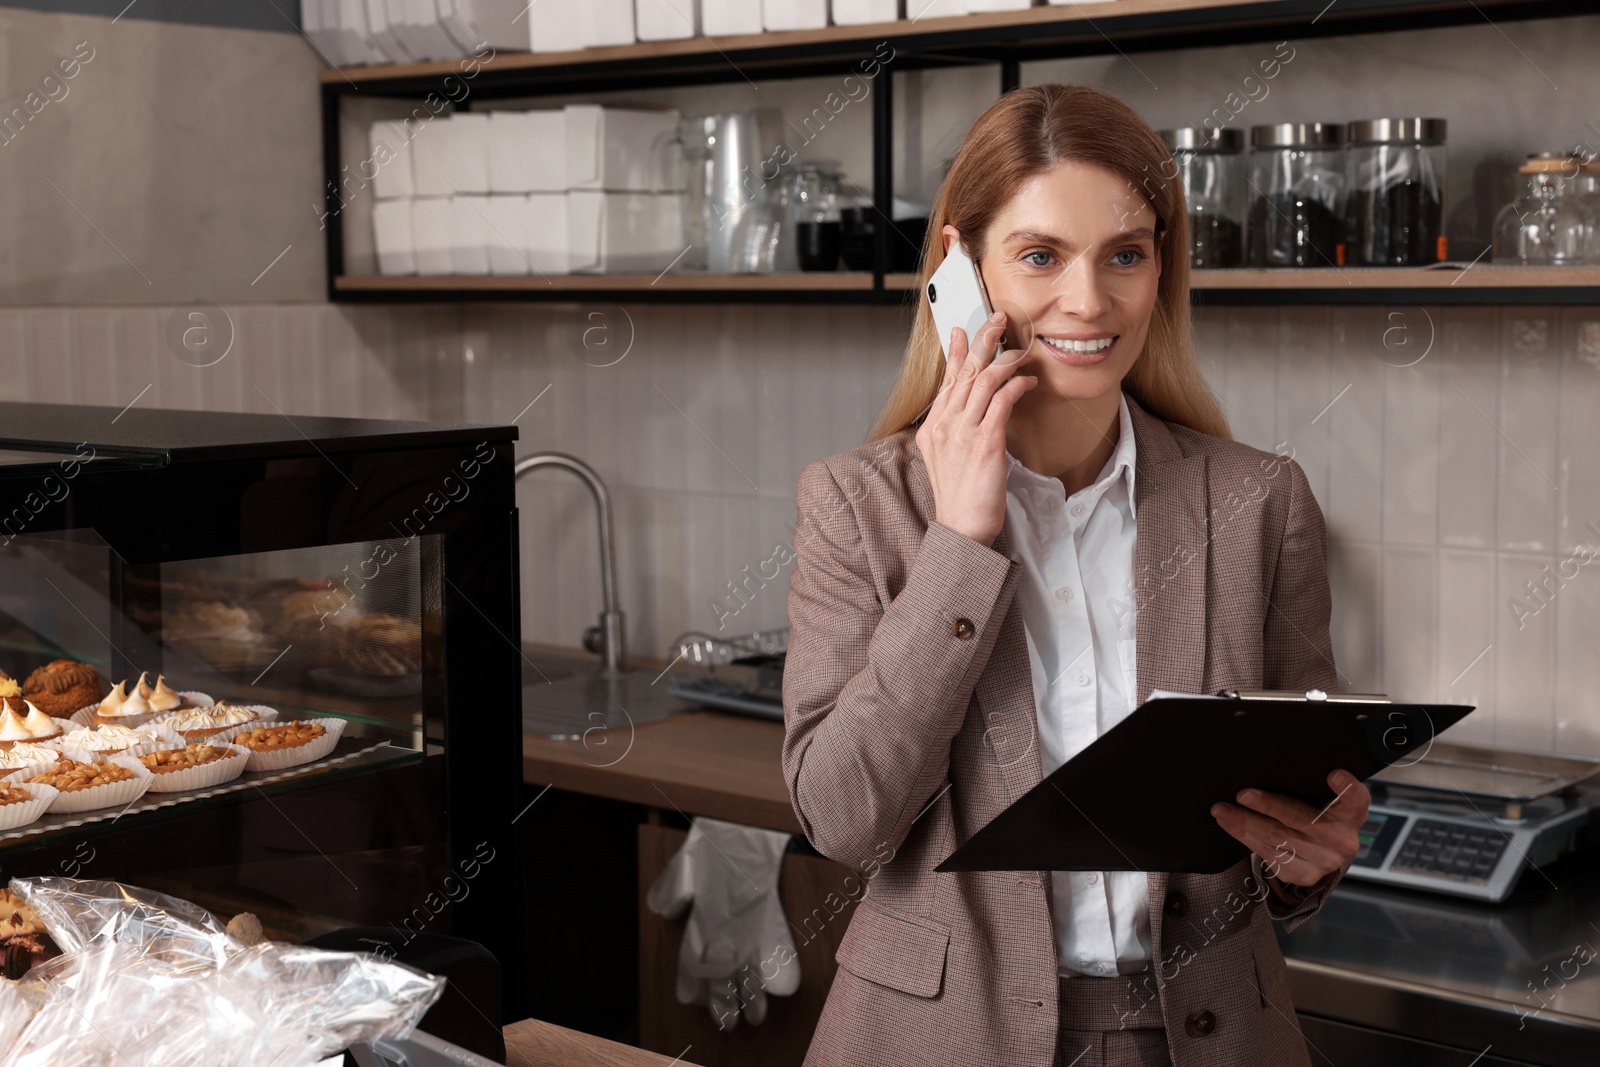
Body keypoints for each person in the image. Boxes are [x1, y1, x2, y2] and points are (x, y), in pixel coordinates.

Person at [781, 84, 1368, 1067]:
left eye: (1124, 255)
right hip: (942, 1035)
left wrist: (1306, 862)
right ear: (959, 267)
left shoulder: (1258, 498)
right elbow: (843, 817)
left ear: (1160, 269)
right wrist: (963, 546)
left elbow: (1293, 794)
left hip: (1208, 1036)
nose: (1088, 301)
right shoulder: (857, 502)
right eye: (1040, 256)